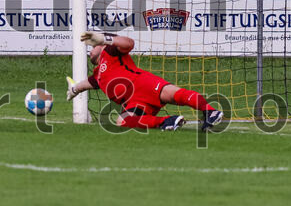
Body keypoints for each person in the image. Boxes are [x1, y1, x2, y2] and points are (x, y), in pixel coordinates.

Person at [66, 31, 223, 131]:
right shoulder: (98, 74)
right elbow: (85, 84)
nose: (90, 51)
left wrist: (103, 39)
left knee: (173, 94)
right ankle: (167, 121)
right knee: (122, 121)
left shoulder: (110, 51)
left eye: (93, 47)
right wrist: (74, 89)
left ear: (101, 45)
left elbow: (129, 43)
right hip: (134, 102)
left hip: (142, 84)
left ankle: (210, 111)